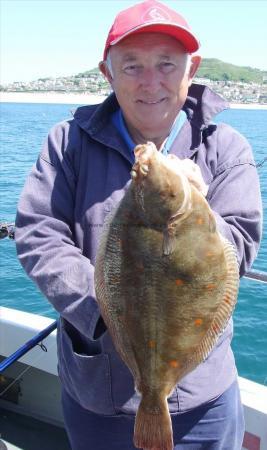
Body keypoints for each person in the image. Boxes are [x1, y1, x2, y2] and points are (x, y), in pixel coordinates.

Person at [15, 1, 262, 449]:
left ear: (193, 68)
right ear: (107, 73)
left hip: (205, 398)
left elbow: (240, 245)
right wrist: (108, 305)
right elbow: (37, 233)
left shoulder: (226, 149)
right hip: (98, 392)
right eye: (132, 66)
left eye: (167, 64)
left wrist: (198, 210)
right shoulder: (67, 143)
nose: (152, 82)